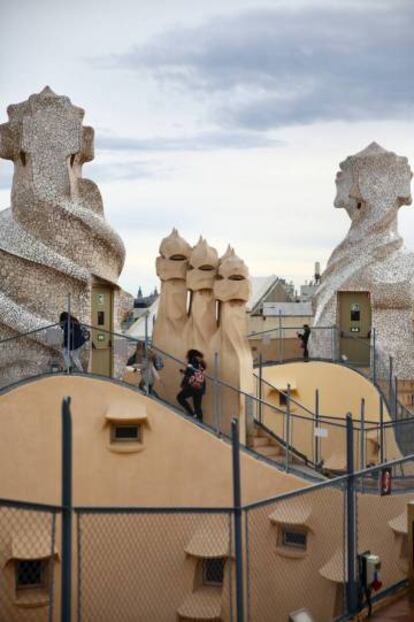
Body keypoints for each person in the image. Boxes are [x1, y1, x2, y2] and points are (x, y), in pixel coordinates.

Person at [177, 349, 206, 421]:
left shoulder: (192, 361)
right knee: (197, 406)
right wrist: (184, 372)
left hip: (193, 386)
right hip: (200, 387)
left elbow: (190, 373)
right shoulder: (201, 364)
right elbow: (196, 373)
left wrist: (185, 374)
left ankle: (191, 413)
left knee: (180, 397)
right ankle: (200, 421)